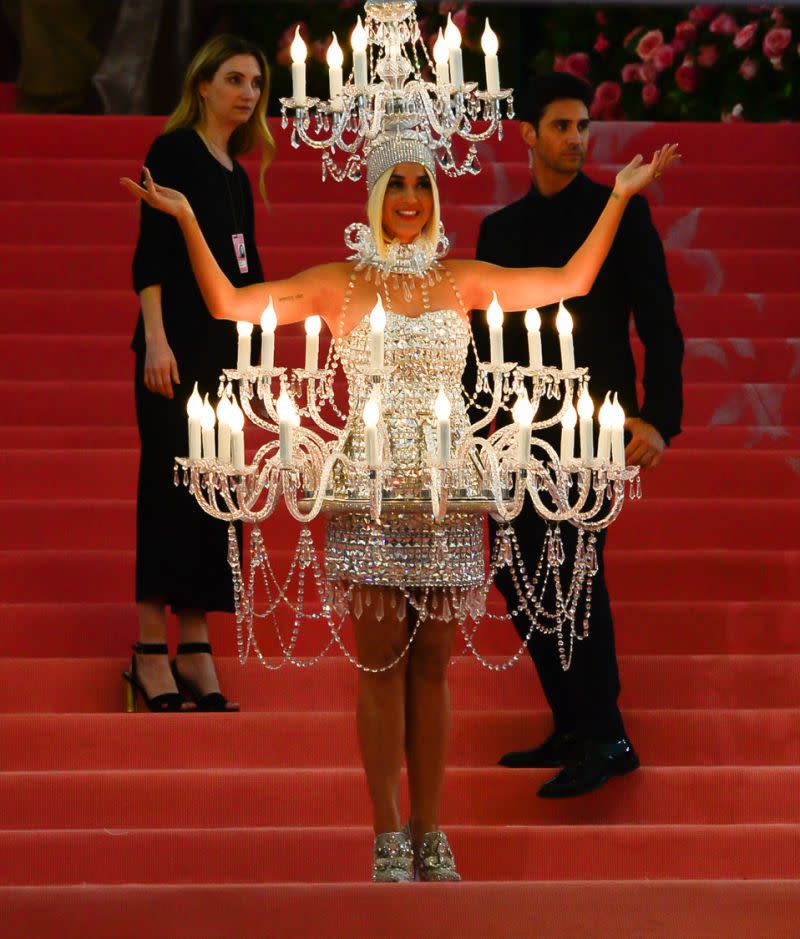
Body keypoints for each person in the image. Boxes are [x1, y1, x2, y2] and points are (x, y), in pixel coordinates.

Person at [122, 129, 678, 877]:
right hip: (366, 491)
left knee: (434, 669)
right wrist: (189, 220)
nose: (412, 199)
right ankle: (388, 832)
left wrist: (616, 199)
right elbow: (227, 302)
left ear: (434, 196)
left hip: (450, 492)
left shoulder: (464, 279)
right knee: (381, 665)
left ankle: (430, 828)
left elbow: (573, 281)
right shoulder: (339, 283)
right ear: (377, 196)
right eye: (399, 185)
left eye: (423, 184)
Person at [472, 72, 684, 798]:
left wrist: (660, 417)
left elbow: (659, 322)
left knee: (573, 569)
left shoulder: (620, 211)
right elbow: (481, 343)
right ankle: (572, 719)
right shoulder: (500, 232)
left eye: (583, 126)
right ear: (528, 134)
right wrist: (470, 436)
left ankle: (606, 733)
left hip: (598, 428)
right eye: (561, 126)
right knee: (515, 570)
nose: (576, 139)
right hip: (517, 432)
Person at [124, 34, 274, 713]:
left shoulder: (235, 171)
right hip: (173, 350)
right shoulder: (174, 151)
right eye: (236, 79)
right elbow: (150, 258)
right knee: (167, 483)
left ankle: (197, 644)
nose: (247, 93)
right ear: (204, 84)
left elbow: (245, 271)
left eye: (255, 83)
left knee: (216, 492)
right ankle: (150, 647)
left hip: (222, 356)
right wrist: (154, 341)